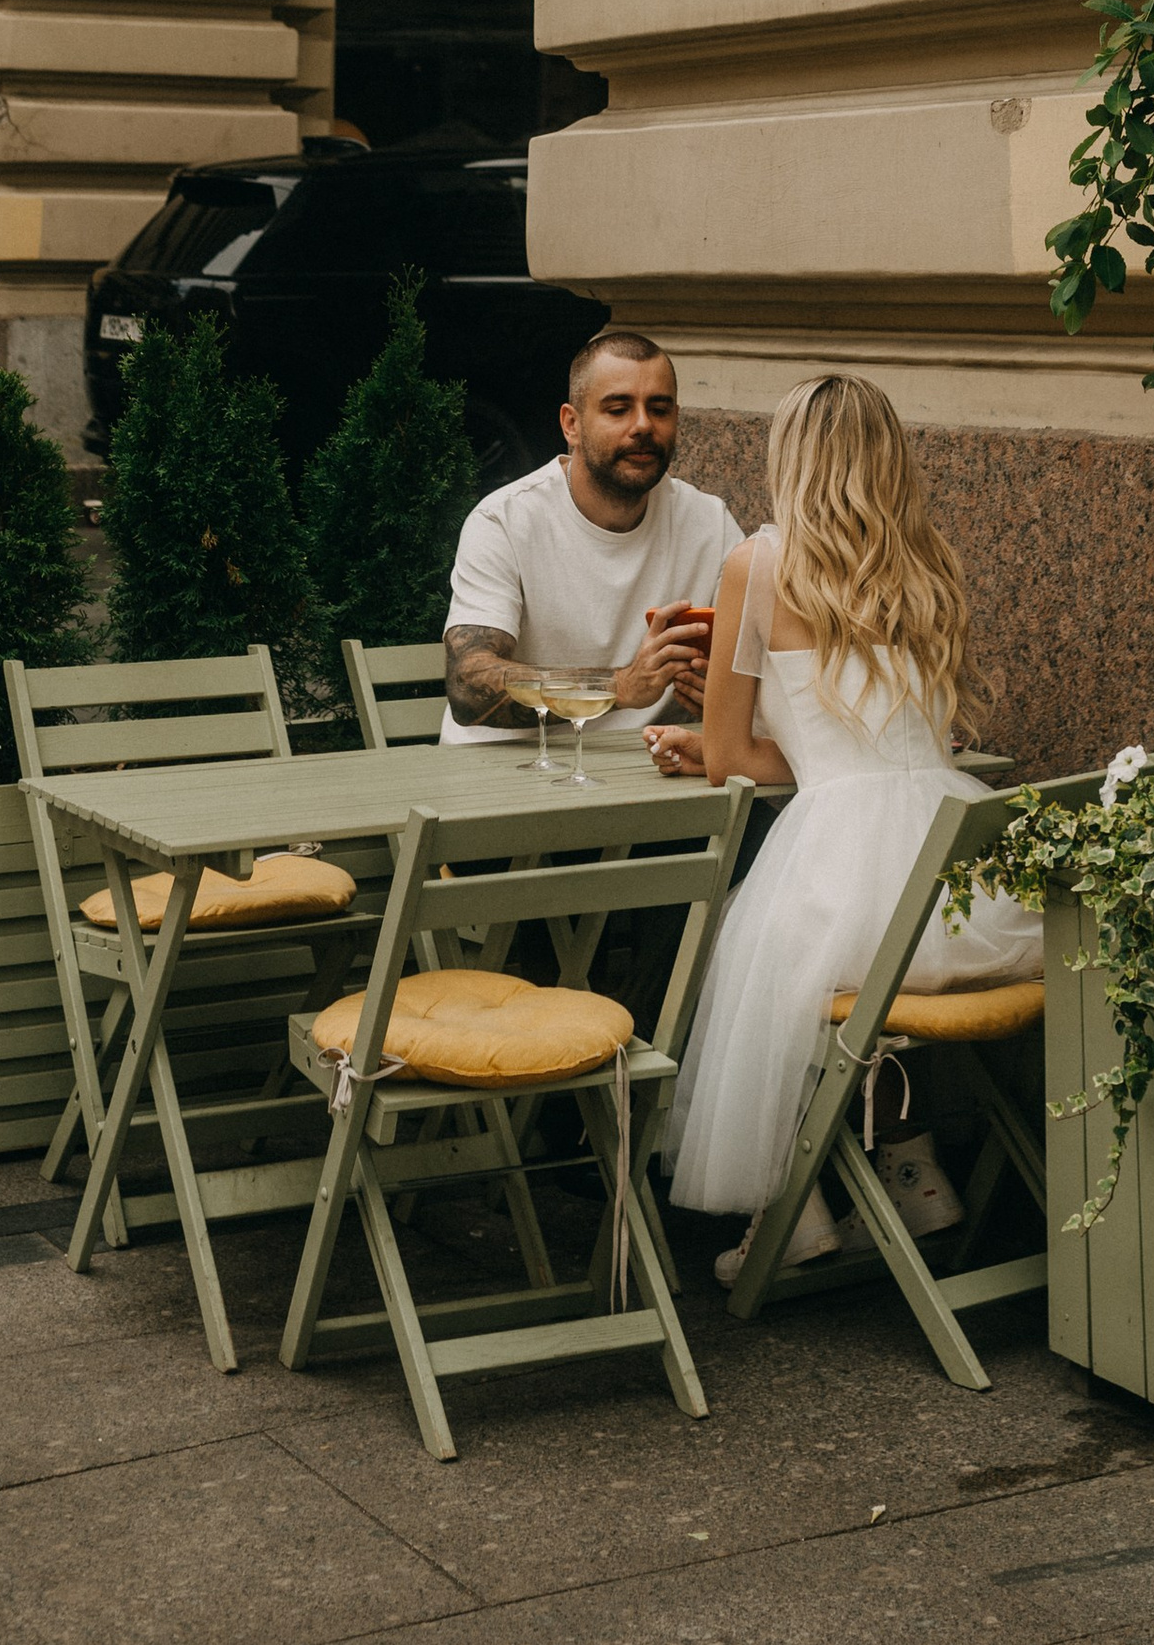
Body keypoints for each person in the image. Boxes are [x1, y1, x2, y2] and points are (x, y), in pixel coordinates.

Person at [658, 371, 1043, 1284]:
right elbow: (899, 741)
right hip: (958, 881)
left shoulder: (755, 565)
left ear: (789, 458)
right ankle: (915, 1177)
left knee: (764, 978)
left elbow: (726, 760)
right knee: (832, 996)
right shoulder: (929, 560)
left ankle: (790, 1218)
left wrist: (695, 742)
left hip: (845, 872)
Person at [440, 328, 740, 745]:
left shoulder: (710, 523)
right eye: (618, 409)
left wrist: (729, 695)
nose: (642, 425)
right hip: (507, 773)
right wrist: (618, 686)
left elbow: (758, 662)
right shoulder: (504, 521)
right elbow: (468, 682)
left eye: (659, 409)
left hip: (647, 776)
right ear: (572, 424)